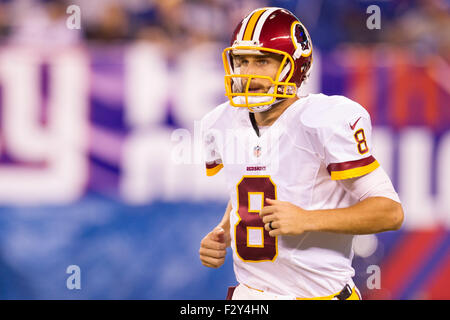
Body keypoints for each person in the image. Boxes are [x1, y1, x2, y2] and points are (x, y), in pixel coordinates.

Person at [198, 7, 404, 300]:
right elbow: (249, 187)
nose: (248, 73)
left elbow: (390, 211)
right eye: (242, 61)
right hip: (250, 297)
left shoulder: (324, 119)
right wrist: (223, 232)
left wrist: (308, 219)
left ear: (293, 66)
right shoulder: (221, 121)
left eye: (263, 62)